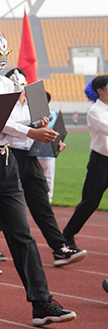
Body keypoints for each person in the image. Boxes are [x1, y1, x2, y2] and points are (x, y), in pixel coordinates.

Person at [0, 27, 76, 327]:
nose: (1, 57)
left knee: (22, 233)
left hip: (7, 163)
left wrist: (39, 127)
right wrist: (30, 131)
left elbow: (17, 124)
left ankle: (41, 302)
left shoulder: (8, 83)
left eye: (4, 51)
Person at [3, 68, 85, 266]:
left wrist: (54, 143)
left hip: (30, 158)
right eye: (14, 81)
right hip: (9, 156)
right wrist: (31, 128)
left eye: (22, 81)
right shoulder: (4, 104)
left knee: (41, 203)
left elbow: (42, 131)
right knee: (3, 205)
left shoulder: (35, 103)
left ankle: (59, 248)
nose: (19, 85)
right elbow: (7, 128)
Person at [62, 75, 108, 250]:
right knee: (90, 201)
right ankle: (67, 234)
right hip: (101, 162)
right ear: (100, 91)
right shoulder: (95, 111)